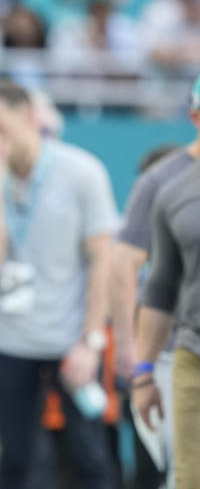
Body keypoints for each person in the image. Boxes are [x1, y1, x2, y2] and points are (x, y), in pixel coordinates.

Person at [0, 81, 118, 489]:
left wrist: (91, 342)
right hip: (9, 341)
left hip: (70, 340)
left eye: (0, 128)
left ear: (29, 120)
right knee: (14, 461)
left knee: (90, 457)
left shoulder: (81, 171)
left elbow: (102, 260)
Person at [132, 81, 200, 489]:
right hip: (193, 357)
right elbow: (160, 288)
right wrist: (143, 373)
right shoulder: (172, 193)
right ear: (195, 117)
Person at [111, 140, 189, 488]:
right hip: (172, 357)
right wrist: (140, 365)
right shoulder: (160, 187)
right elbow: (156, 291)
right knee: (169, 471)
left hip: (169, 356)